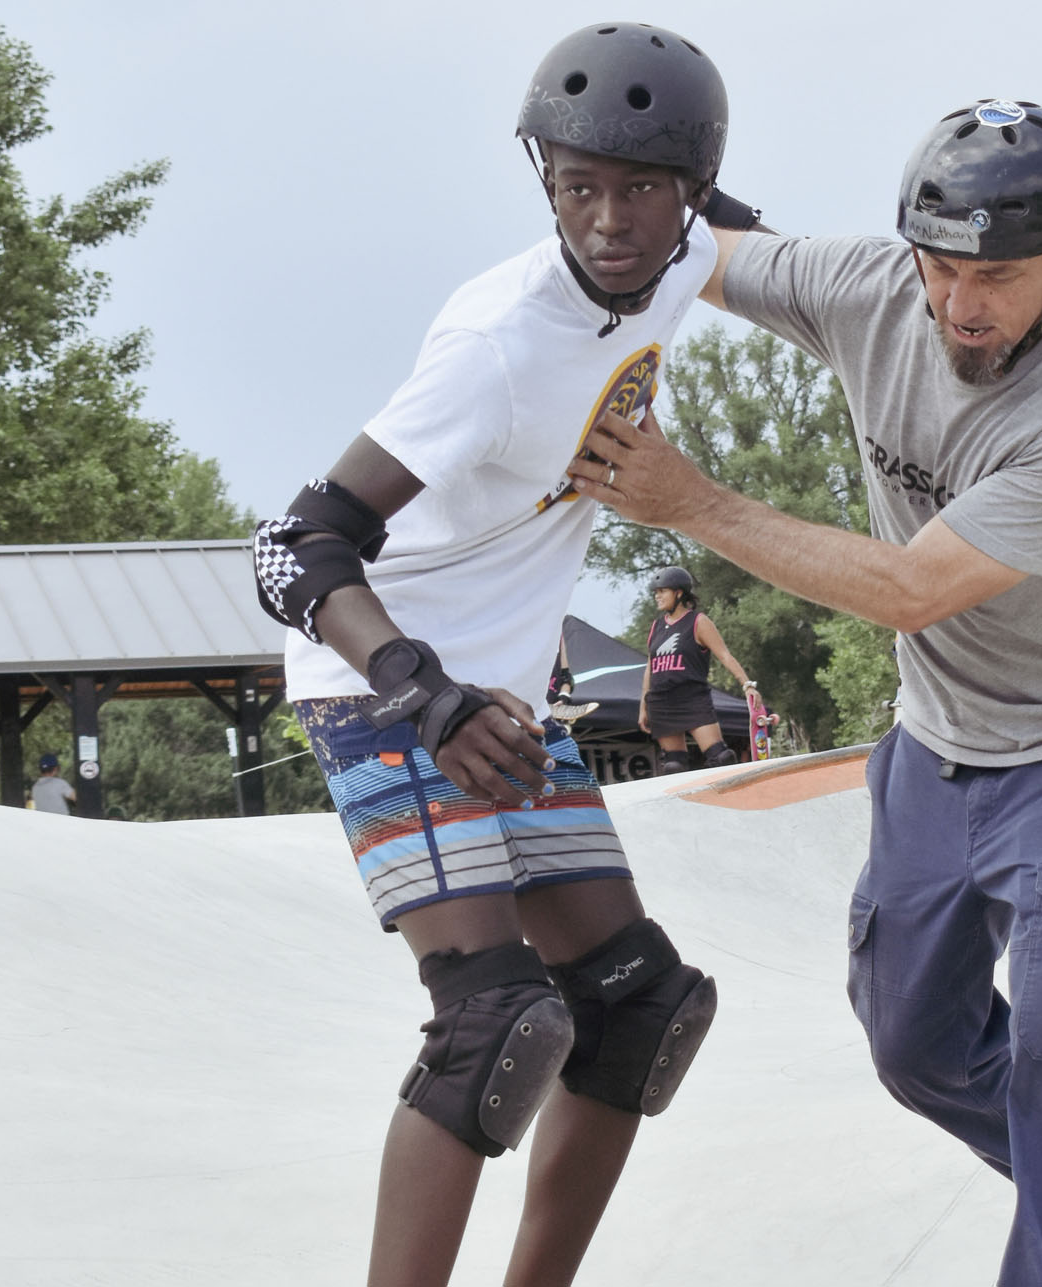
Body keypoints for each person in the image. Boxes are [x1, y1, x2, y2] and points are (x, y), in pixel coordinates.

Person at [569, 98, 1042, 1286]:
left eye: (1001, 275)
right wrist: (615, 176)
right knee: (911, 1044)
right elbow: (707, 251)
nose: (962, 303)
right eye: (941, 266)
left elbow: (913, 590)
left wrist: (689, 501)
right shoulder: (868, 284)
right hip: (942, 739)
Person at [251, 24, 739, 1286]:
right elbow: (292, 551)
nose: (609, 223)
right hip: (388, 686)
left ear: (692, 191)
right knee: (496, 1024)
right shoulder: (496, 345)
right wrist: (424, 690)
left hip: (506, 699)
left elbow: (825, 272)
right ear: (546, 182)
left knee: (639, 1005)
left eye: (639, 190)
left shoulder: (690, 257)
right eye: (578, 188)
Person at [639, 565, 752, 771]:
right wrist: (643, 706)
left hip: (692, 698)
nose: (657, 596)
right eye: (656, 592)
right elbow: (650, 667)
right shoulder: (656, 626)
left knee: (721, 758)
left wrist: (747, 685)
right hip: (661, 702)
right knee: (674, 767)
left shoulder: (698, 622)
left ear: (679, 592)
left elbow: (725, 655)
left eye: (662, 591)